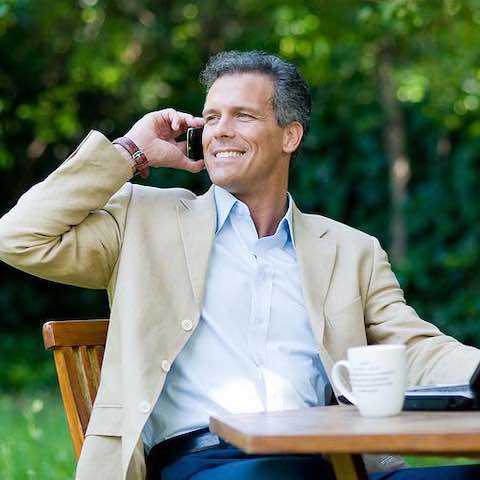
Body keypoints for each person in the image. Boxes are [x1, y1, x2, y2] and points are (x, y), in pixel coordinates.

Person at [0, 51, 479, 480]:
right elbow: (17, 237)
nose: (220, 130)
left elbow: (415, 348)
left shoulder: (350, 249)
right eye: (211, 117)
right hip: (205, 461)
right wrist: (129, 150)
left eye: (242, 116)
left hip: (333, 461)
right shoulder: (144, 220)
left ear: (290, 135)